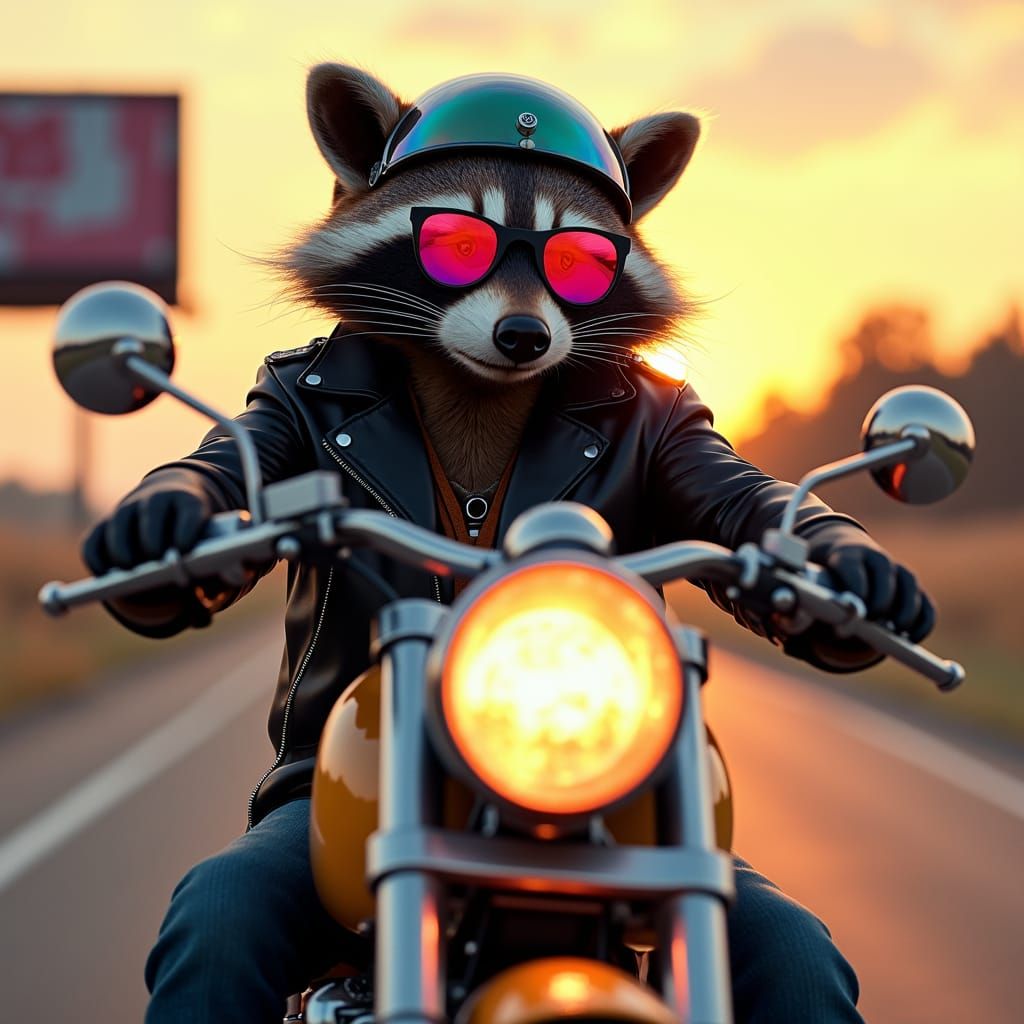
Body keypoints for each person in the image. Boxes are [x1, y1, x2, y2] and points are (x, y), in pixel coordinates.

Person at [84, 67, 933, 1023]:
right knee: (221, 914)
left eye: (574, 267)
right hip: (352, 785)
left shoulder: (646, 411)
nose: (523, 307)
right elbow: (225, 466)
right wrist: (178, 508)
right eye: (456, 247)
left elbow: (743, 499)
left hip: (613, 789)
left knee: (793, 955)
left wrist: (827, 545)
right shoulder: (312, 394)